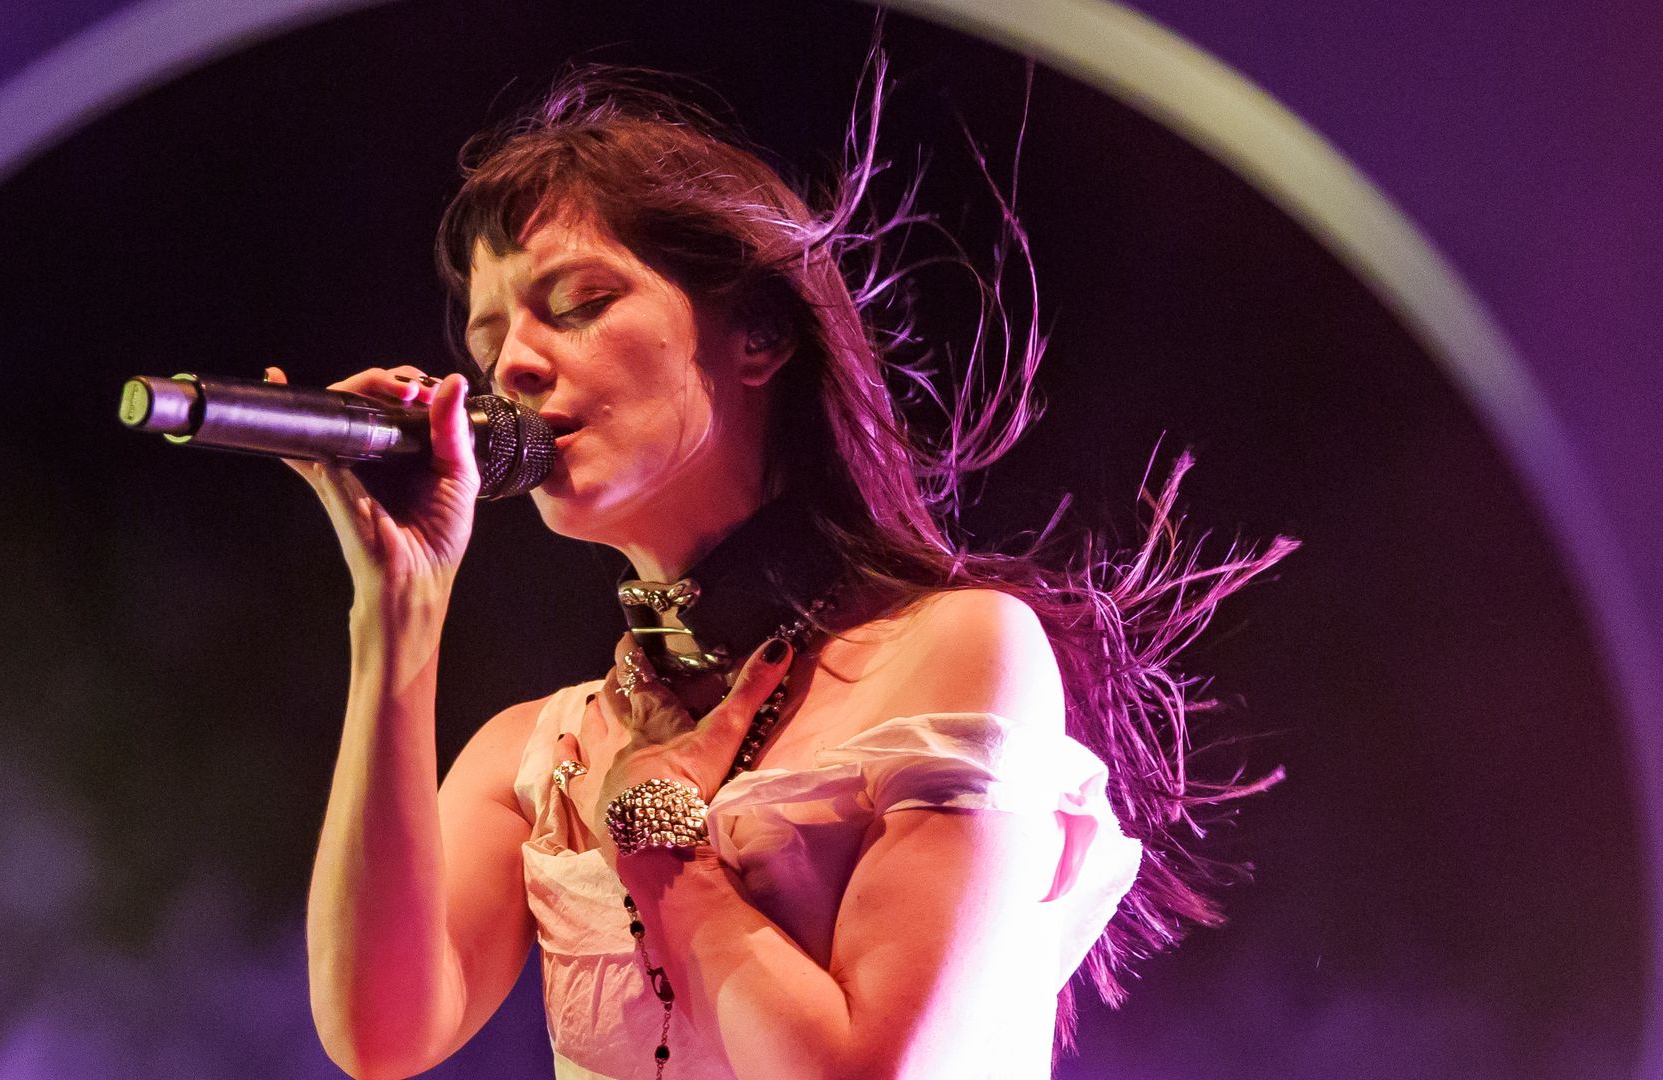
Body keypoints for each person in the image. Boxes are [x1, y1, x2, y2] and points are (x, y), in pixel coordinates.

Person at [272, 65, 1292, 1080]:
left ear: (758, 333)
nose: (515, 369)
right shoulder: (538, 755)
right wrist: (396, 604)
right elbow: (380, 1033)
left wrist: (666, 851)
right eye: (489, 343)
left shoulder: (955, 652)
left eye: (577, 302)